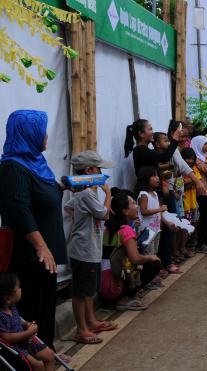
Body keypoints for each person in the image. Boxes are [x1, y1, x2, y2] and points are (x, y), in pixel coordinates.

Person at [0, 110, 65, 348]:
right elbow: (18, 210)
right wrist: (41, 247)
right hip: (30, 255)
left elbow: (44, 195)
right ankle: (34, 356)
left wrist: (68, 187)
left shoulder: (35, 163)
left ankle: (47, 350)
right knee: (32, 306)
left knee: (46, 303)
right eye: (42, 130)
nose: (46, 136)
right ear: (28, 133)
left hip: (44, 254)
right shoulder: (12, 168)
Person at [65, 151, 117, 344]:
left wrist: (81, 219)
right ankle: (81, 329)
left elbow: (69, 208)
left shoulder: (85, 194)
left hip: (88, 248)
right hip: (84, 249)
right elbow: (104, 214)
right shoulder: (87, 193)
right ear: (89, 171)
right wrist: (108, 193)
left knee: (87, 289)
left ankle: (90, 321)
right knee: (81, 291)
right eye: (99, 169)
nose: (102, 173)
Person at [104, 189, 161, 311]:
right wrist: (151, 257)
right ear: (125, 211)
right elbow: (136, 259)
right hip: (114, 288)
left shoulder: (108, 229)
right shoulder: (126, 230)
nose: (137, 206)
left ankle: (122, 296)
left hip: (103, 286)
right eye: (133, 204)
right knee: (154, 263)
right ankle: (126, 297)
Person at [0, 273, 56, 371]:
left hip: (26, 342)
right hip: (15, 348)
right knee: (38, 366)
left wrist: (26, 324)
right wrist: (28, 332)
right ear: (8, 298)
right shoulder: (1, 316)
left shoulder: (12, 307)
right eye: (18, 288)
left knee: (50, 355)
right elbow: (7, 338)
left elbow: (17, 321)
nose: (21, 290)